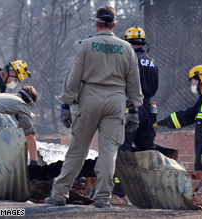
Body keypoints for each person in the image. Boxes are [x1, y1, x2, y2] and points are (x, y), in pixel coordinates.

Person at [44, 6, 143, 208]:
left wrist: (66, 103)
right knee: (108, 153)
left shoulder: (86, 45)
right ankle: (102, 199)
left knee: (78, 149)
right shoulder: (126, 48)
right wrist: (133, 109)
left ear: (96, 24)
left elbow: (74, 77)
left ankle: (60, 194)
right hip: (116, 100)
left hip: (89, 98)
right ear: (114, 25)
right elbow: (134, 83)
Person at [112, 26, 159, 203]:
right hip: (148, 108)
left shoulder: (127, 60)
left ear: (127, 42)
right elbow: (154, 88)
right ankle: (150, 187)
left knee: (124, 147)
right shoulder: (152, 62)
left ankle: (119, 189)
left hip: (130, 107)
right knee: (146, 149)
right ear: (142, 43)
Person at [153, 64, 202, 172]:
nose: (192, 85)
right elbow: (186, 116)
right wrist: (164, 122)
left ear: (201, 80)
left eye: (193, 81)